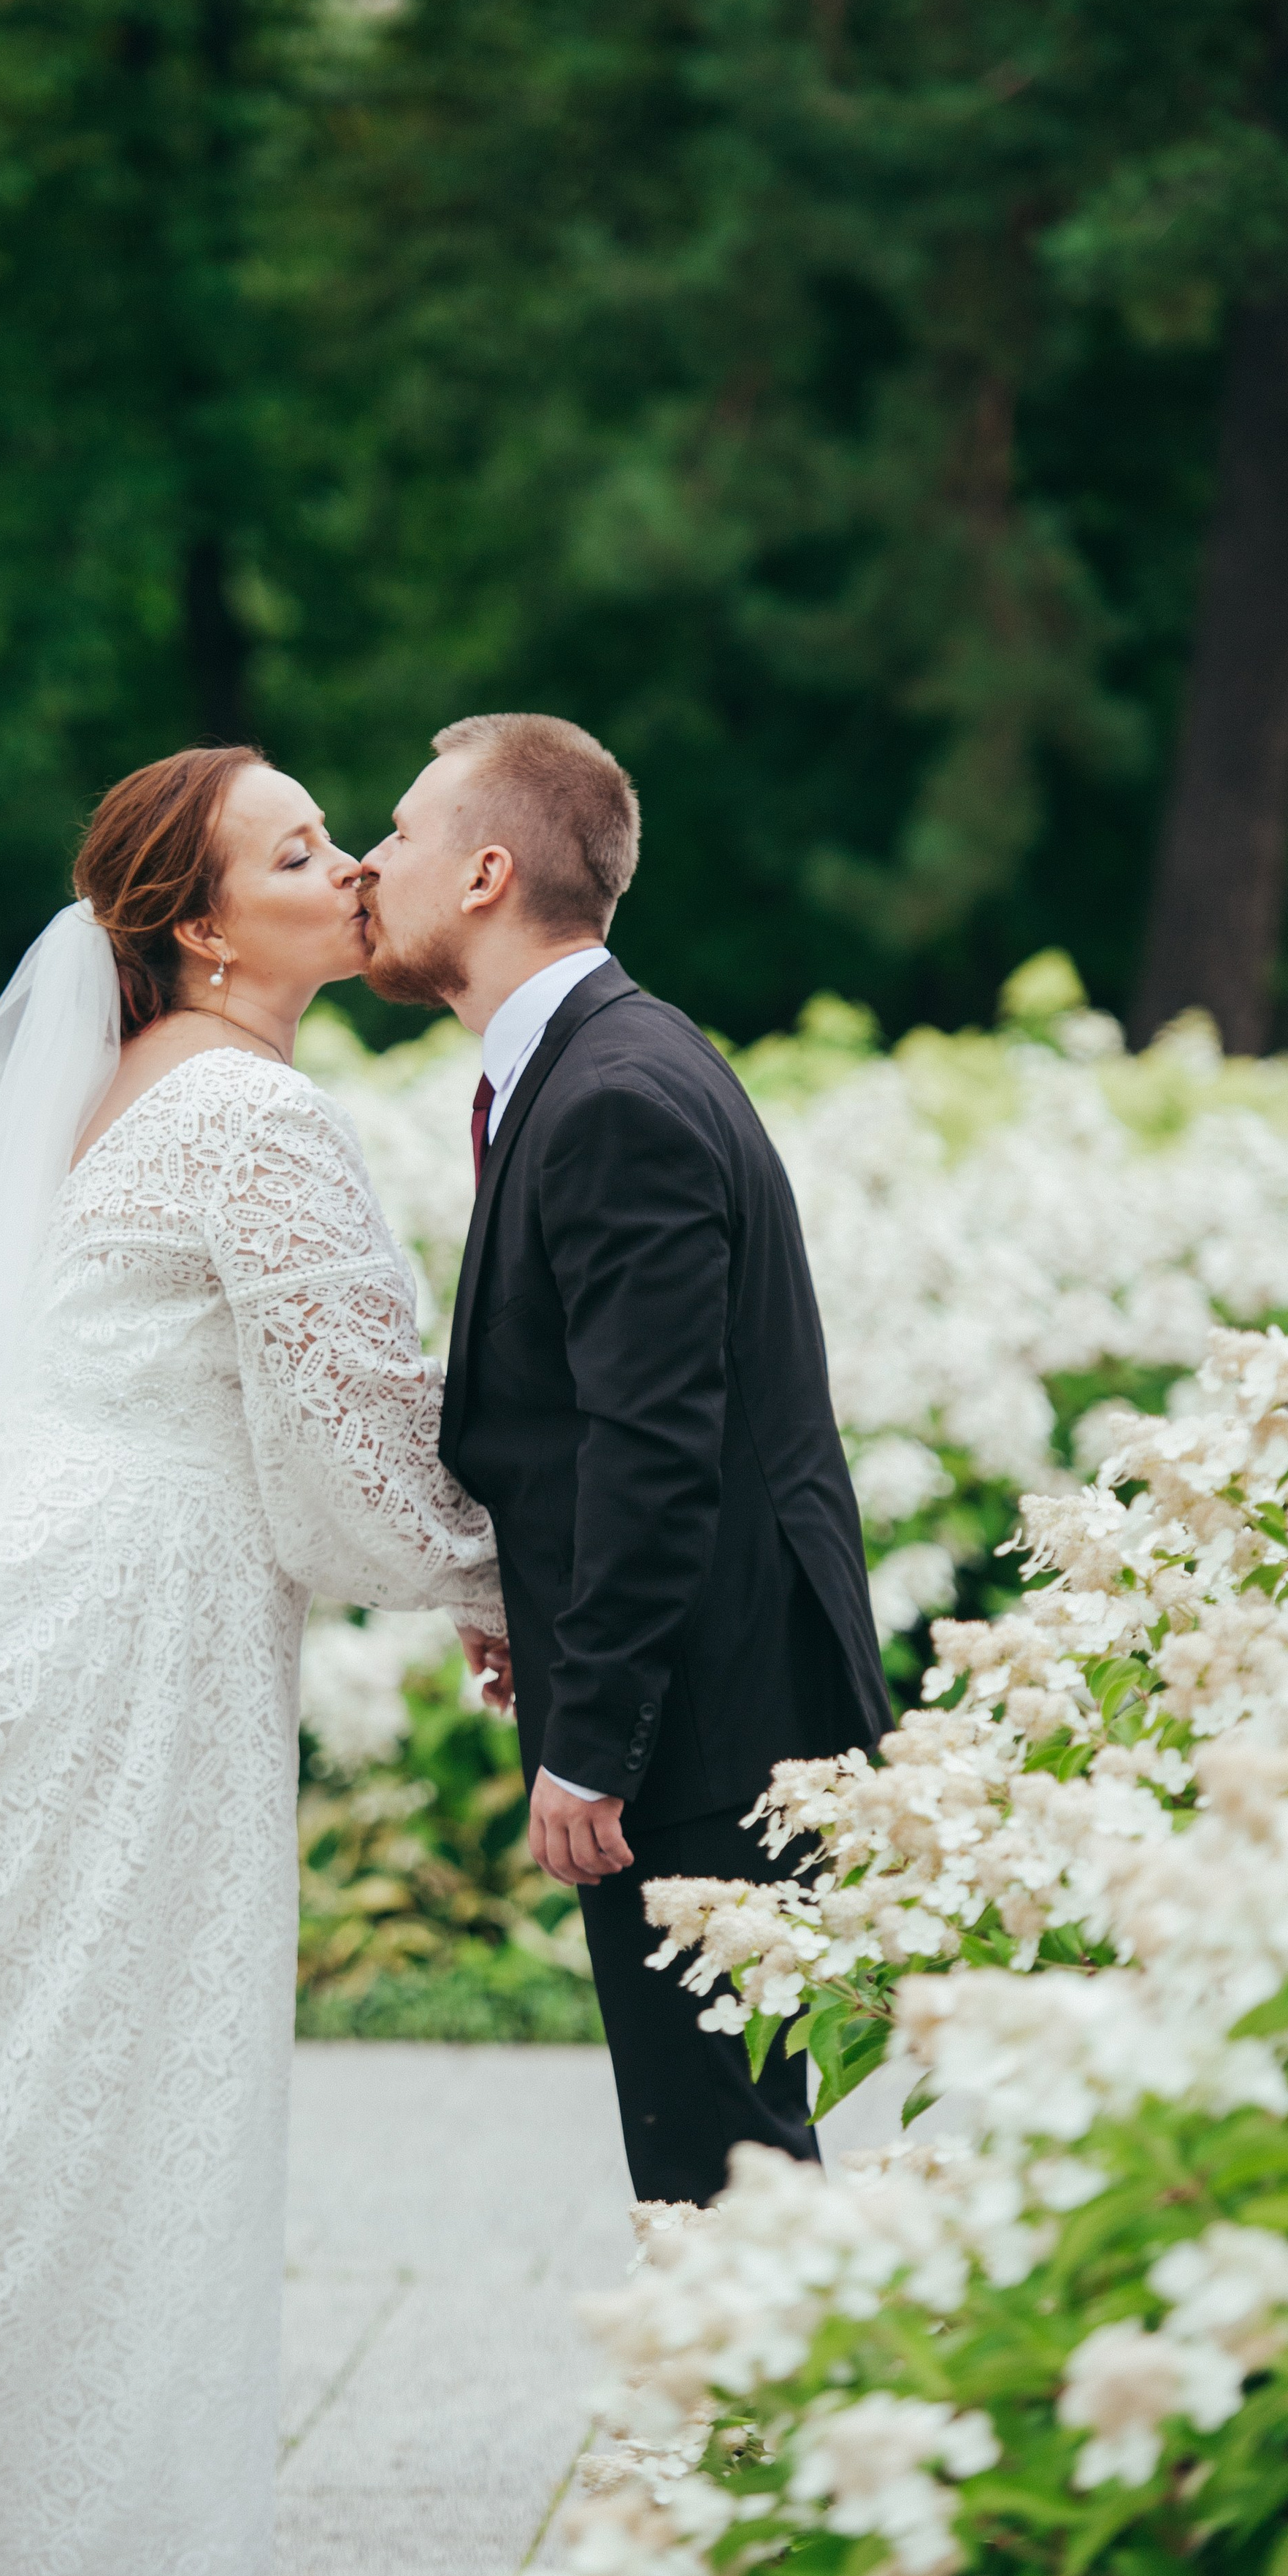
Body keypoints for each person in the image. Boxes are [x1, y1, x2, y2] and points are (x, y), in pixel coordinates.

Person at [0, 749, 505, 2576]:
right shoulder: (256, 1107)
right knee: (116, 2081)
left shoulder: (127, 1089)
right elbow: (347, 1454)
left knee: (15, 2083)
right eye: (298, 849)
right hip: (128, 1630)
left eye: (342, 834)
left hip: (31, 1592)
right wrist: (501, 1578)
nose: (344, 870)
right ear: (192, 923)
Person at [359, 713, 891, 2209]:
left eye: (396, 834)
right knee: (719, 2133)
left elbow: (656, 1454)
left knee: (719, 2151)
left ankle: (763, 2446)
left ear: (482, 871)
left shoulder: (609, 1096)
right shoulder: (596, 1063)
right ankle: (753, 2436)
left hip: (710, 1721)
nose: (366, 863)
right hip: (714, 1686)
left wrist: (593, 1736)